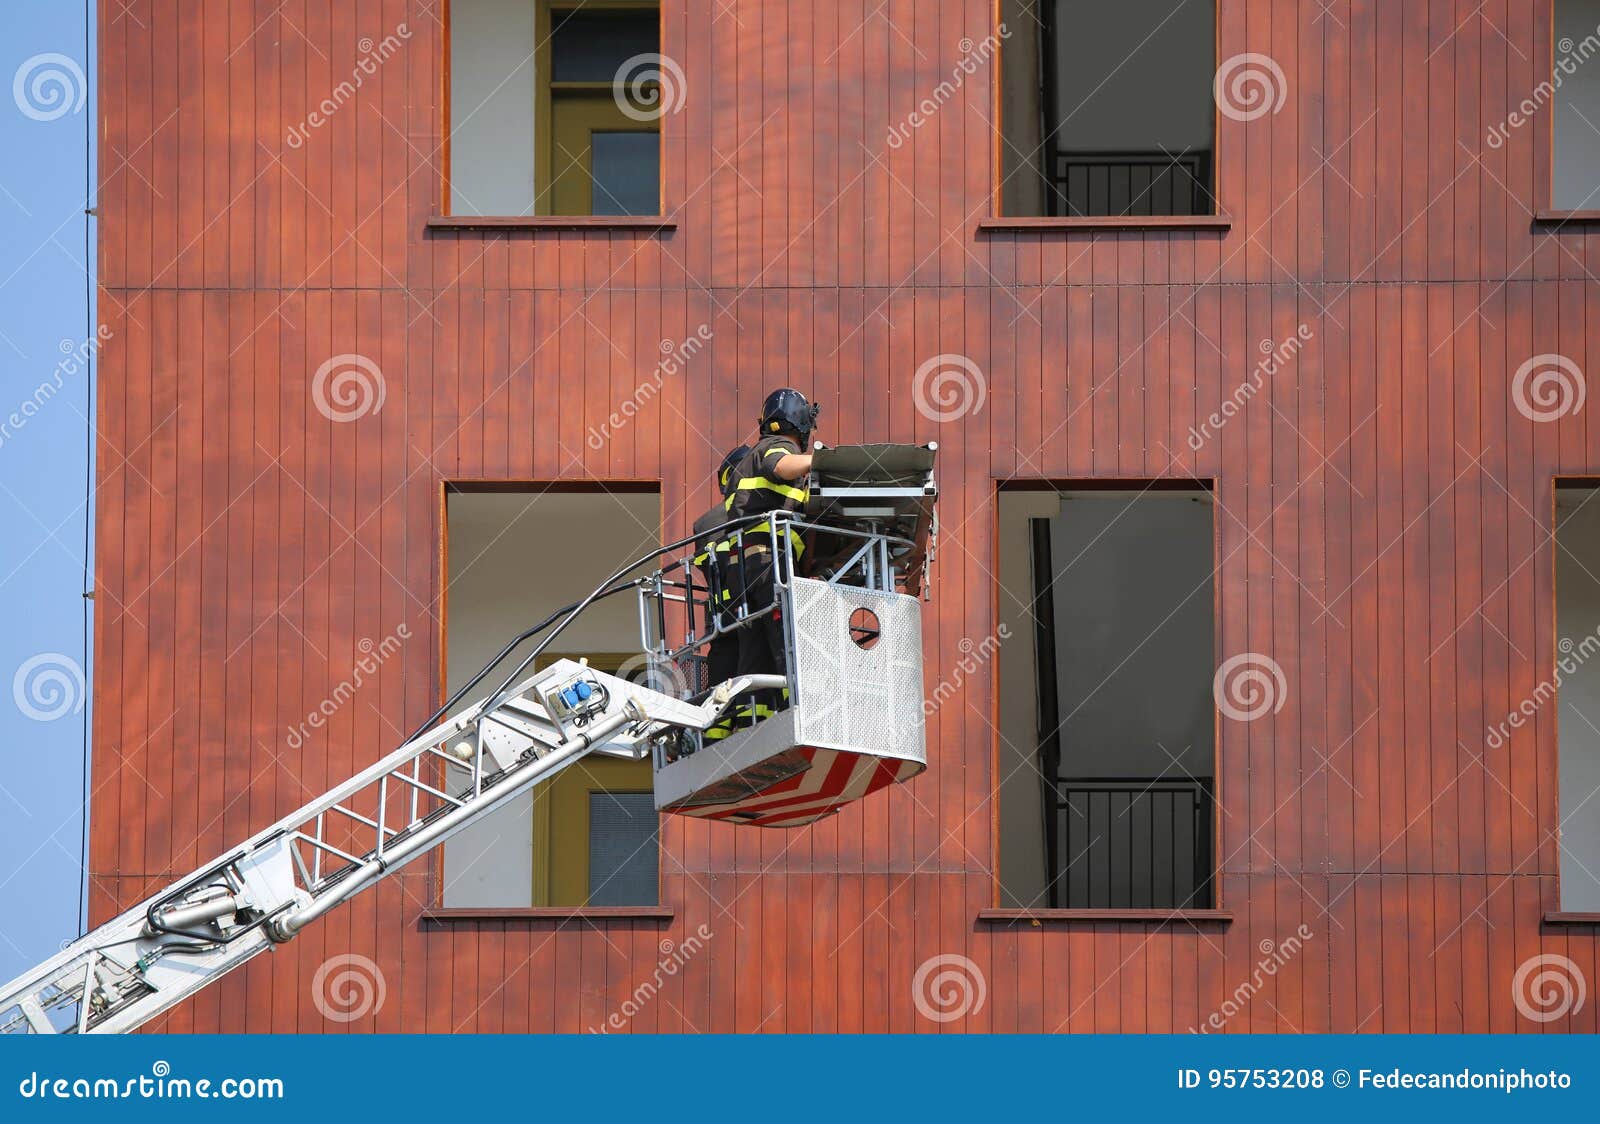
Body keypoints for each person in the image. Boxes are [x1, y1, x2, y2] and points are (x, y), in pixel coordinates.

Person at [724, 388, 820, 725]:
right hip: (769, 563)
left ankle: (752, 721)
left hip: (745, 568)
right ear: (803, 422)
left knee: (756, 652)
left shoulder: (745, 463)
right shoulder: (777, 447)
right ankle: (801, 713)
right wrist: (825, 460)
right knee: (786, 641)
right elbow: (778, 465)